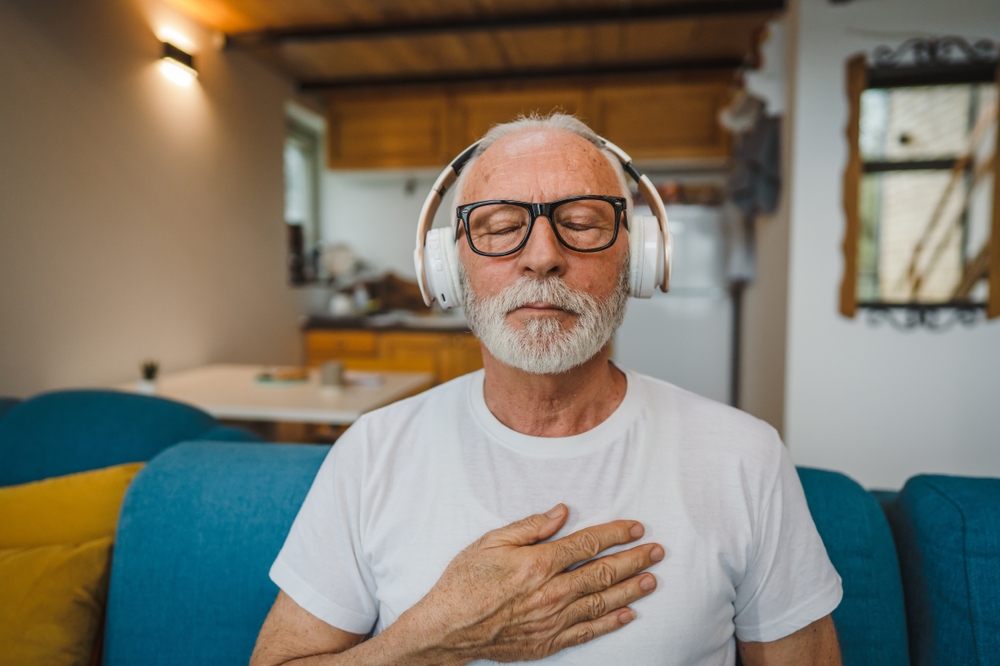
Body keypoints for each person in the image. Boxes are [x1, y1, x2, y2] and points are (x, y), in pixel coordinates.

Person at [250, 114, 843, 666]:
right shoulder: (371, 451)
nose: (541, 256)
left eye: (582, 223)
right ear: (448, 268)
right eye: (501, 226)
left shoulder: (745, 456)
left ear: (638, 258)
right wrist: (431, 637)